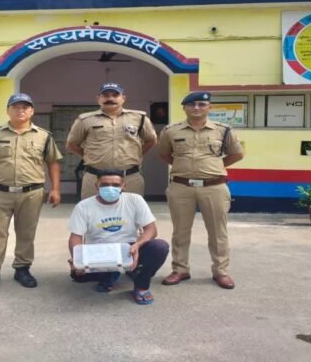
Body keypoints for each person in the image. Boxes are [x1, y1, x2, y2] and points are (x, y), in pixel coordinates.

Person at [0, 93, 62, 290]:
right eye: (16, 107)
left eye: (25, 107)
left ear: (32, 111)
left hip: (31, 193)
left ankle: (22, 268)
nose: (20, 110)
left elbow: (52, 163)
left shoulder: (44, 136)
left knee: (26, 233)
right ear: (8, 110)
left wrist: (55, 189)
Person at [157, 91, 244, 290]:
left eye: (201, 104)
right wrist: (184, 167)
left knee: (218, 232)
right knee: (180, 231)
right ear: (184, 108)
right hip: (181, 186)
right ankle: (180, 269)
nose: (196, 108)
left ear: (209, 107)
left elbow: (237, 154)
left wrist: (213, 167)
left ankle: (221, 271)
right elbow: (164, 154)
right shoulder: (171, 131)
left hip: (214, 187)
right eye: (191, 104)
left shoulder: (223, 130)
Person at [67, 169, 169, 305]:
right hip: (99, 252)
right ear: (96, 186)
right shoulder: (83, 206)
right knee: (78, 276)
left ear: (123, 186)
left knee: (160, 247)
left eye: (115, 185)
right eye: (105, 184)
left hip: (129, 250)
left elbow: (151, 230)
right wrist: (78, 259)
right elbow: (76, 237)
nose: (110, 188)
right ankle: (110, 275)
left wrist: (137, 245)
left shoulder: (135, 200)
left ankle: (141, 285)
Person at [66, 82, 157, 199]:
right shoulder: (85, 120)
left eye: (115, 95)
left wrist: (135, 154)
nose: (110, 99)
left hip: (129, 177)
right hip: (94, 177)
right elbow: (72, 144)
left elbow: (151, 140)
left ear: (123, 98)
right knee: (94, 209)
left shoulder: (139, 118)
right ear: (98, 98)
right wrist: (90, 156)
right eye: (105, 95)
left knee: (130, 209)